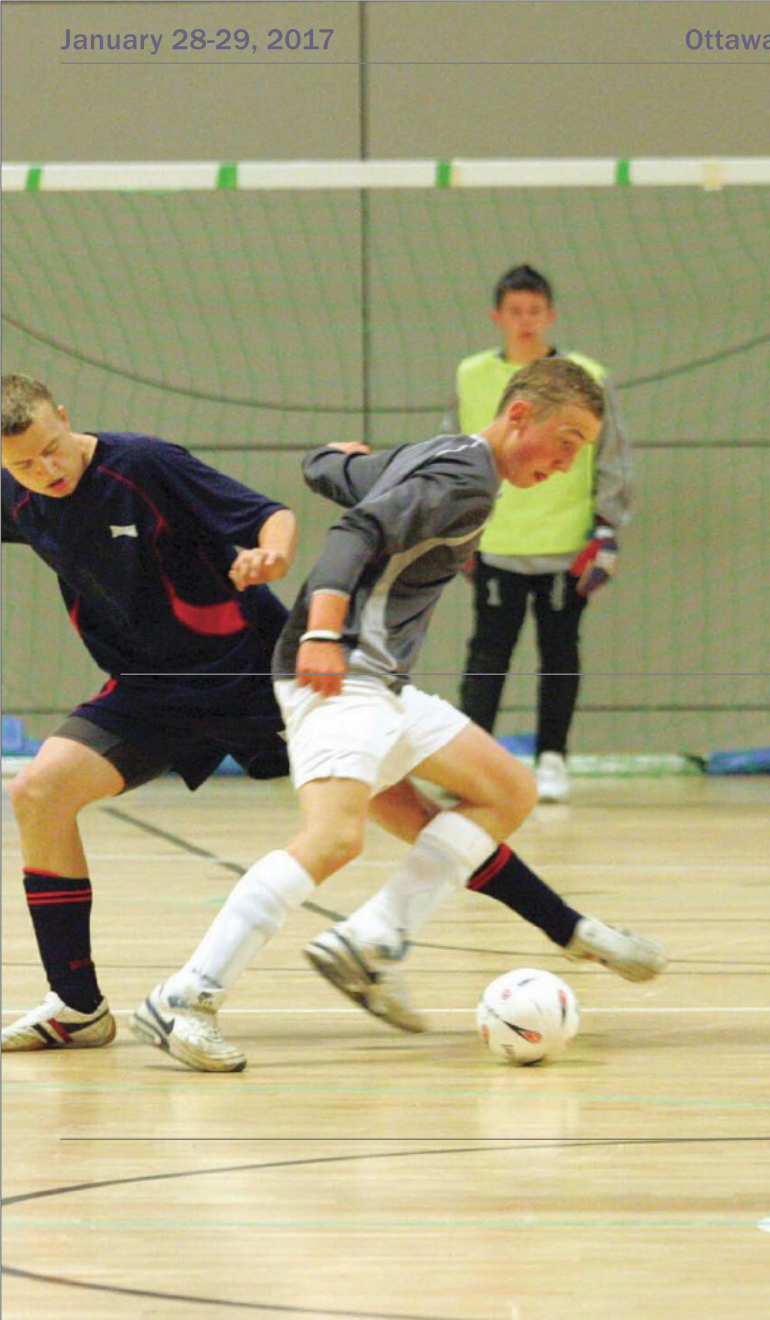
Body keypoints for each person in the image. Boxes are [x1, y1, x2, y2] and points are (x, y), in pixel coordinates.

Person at [131, 358, 666, 1072]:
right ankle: (184, 997)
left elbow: (332, 472)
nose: (570, 462)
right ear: (518, 417)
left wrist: (338, 457)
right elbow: (355, 531)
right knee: (332, 838)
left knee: (506, 789)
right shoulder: (464, 479)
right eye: (566, 439)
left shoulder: (435, 457)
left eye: (583, 450)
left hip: (381, 684)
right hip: (340, 672)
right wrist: (323, 630)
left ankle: (372, 938)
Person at [0, 374, 298, 1051]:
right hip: (149, 692)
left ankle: (566, 929)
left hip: (250, 674)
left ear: (65, 418)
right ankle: (76, 1006)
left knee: (388, 804)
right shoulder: (17, 493)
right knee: (39, 793)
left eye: (52, 448)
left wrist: (273, 552)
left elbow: (269, 513)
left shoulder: (142, 465)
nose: (44, 471)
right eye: (22, 463)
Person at [446, 265, 633, 803]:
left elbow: (613, 455)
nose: (525, 322)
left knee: (560, 653)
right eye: (515, 312)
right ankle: (468, 762)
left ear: (549, 316)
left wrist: (607, 530)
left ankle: (553, 757)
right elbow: (454, 447)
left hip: (565, 545)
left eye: (535, 311)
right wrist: (455, 527)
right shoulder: (472, 375)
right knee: (486, 655)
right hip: (495, 540)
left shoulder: (586, 375)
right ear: (497, 317)